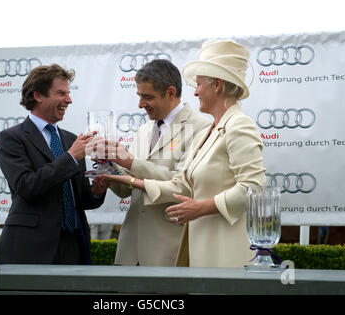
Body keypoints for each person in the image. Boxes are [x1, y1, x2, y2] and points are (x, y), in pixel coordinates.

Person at [98, 40, 266, 267]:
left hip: (222, 253)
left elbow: (254, 188)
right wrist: (124, 177)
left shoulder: (238, 125)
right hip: (198, 252)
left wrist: (201, 207)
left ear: (216, 85)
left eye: (198, 84)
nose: (195, 91)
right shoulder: (211, 129)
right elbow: (182, 185)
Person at [95, 59, 210, 266]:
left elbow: (183, 185)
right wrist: (109, 169)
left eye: (147, 97)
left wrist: (130, 162)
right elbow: (127, 191)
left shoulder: (201, 128)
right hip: (130, 250)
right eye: (139, 96)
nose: (140, 104)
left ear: (171, 93)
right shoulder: (145, 129)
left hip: (167, 250)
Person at [0, 64, 108, 265]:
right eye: (61, 93)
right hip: (31, 249)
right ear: (38, 95)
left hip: (75, 245)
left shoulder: (71, 139)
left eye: (69, 93)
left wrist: (98, 190)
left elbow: (83, 200)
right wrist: (71, 157)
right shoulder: (11, 138)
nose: (69, 100)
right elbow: (26, 186)